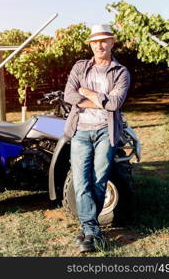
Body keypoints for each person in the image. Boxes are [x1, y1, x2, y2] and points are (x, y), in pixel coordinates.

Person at [63, 24, 130, 253]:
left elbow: (115, 104)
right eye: (95, 41)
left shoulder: (120, 72)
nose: (99, 45)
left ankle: (88, 230)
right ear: (90, 44)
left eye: (104, 41)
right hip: (81, 131)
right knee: (81, 181)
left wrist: (88, 93)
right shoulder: (80, 67)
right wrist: (101, 99)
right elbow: (69, 95)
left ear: (112, 42)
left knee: (99, 179)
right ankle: (91, 229)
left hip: (105, 131)